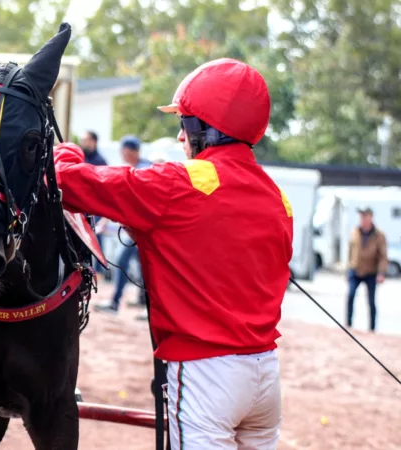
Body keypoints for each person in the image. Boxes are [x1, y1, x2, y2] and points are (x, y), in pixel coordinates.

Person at [52, 58, 292, 449]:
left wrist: (65, 152)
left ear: (201, 130)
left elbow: (70, 183)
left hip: (206, 376)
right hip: (265, 376)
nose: (180, 137)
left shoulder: (179, 182)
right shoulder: (277, 197)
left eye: (184, 123)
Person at [96, 135, 151, 313]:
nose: (122, 153)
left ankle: (119, 303)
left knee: (131, 262)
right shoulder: (135, 168)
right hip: (136, 229)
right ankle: (141, 302)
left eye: (124, 150)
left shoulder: (143, 169)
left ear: (131, 151)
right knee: (144, 267)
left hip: (144, 230)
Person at [346, 206, 388, 332]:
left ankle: (372, 328)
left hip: (371, 271)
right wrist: (348, 268)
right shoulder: (355, 231)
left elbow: (383, 256)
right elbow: (350, 251)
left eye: (365, 216)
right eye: (361, 216)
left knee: (371, 301)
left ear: (371, 217)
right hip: (355, 269)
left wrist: (381, 273)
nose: (362, 219)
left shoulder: (379, 235)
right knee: (351, 295)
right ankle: (348, 325)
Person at [79, 130, 110, 279]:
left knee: (97, 242)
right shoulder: (81, 159)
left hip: (94, 210)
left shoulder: (100, 161)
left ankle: (99, 273)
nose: (83, 143)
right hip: (81, 208)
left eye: (86, 140)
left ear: (93, 142)